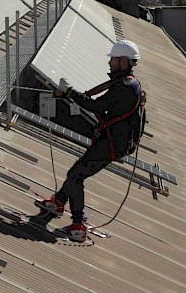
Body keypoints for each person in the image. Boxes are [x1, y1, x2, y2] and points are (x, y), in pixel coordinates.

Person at [35, 40, 144, 242]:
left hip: (110, 144)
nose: (110, 63)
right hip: (111, 141)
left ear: (123, 61)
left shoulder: (124, 87)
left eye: (113, 59)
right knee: (77, 170)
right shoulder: (128, 83)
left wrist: (69, 93)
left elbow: (95, 106)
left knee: (76, 175)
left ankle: (78, 225)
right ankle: (58, 202)